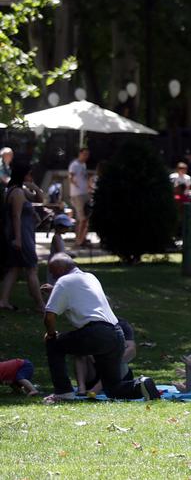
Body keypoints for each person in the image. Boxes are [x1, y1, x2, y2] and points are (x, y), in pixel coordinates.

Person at [42, 253, 159, 402]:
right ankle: (142, 385)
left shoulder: (63, 282)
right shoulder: (90, 277)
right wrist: (55, 290)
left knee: (53, 344)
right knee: (113, 388)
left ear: (60, 268)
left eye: (52, 271)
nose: (52, 275)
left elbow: (49, 316)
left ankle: (63, 393)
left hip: (96, 333)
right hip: (116, 334)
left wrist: (51, 335)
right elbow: (82, 295)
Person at [1, 160, 42, 312]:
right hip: (22, 235)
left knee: (14, 268)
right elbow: (16, 216)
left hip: (18, 234)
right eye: (30, 174)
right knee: (32, 268)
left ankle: (3, 301)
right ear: (23, 174)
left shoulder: (15, 189)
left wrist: (34, 187)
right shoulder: (17, 192)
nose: (31, 176)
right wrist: (18, 239)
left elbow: (39, 199)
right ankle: (40, 305)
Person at [67, 147, 92, 248]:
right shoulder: (74, 165)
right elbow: (70, 177)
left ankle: (81, 239)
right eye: (84, 154)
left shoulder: (83, 165)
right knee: (82, 218)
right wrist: (75, 184)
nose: (86, 156)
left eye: (87, 154)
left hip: (85, 193)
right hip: (77, 194)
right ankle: (79, 240)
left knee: (84, 218)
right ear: (80, 154)